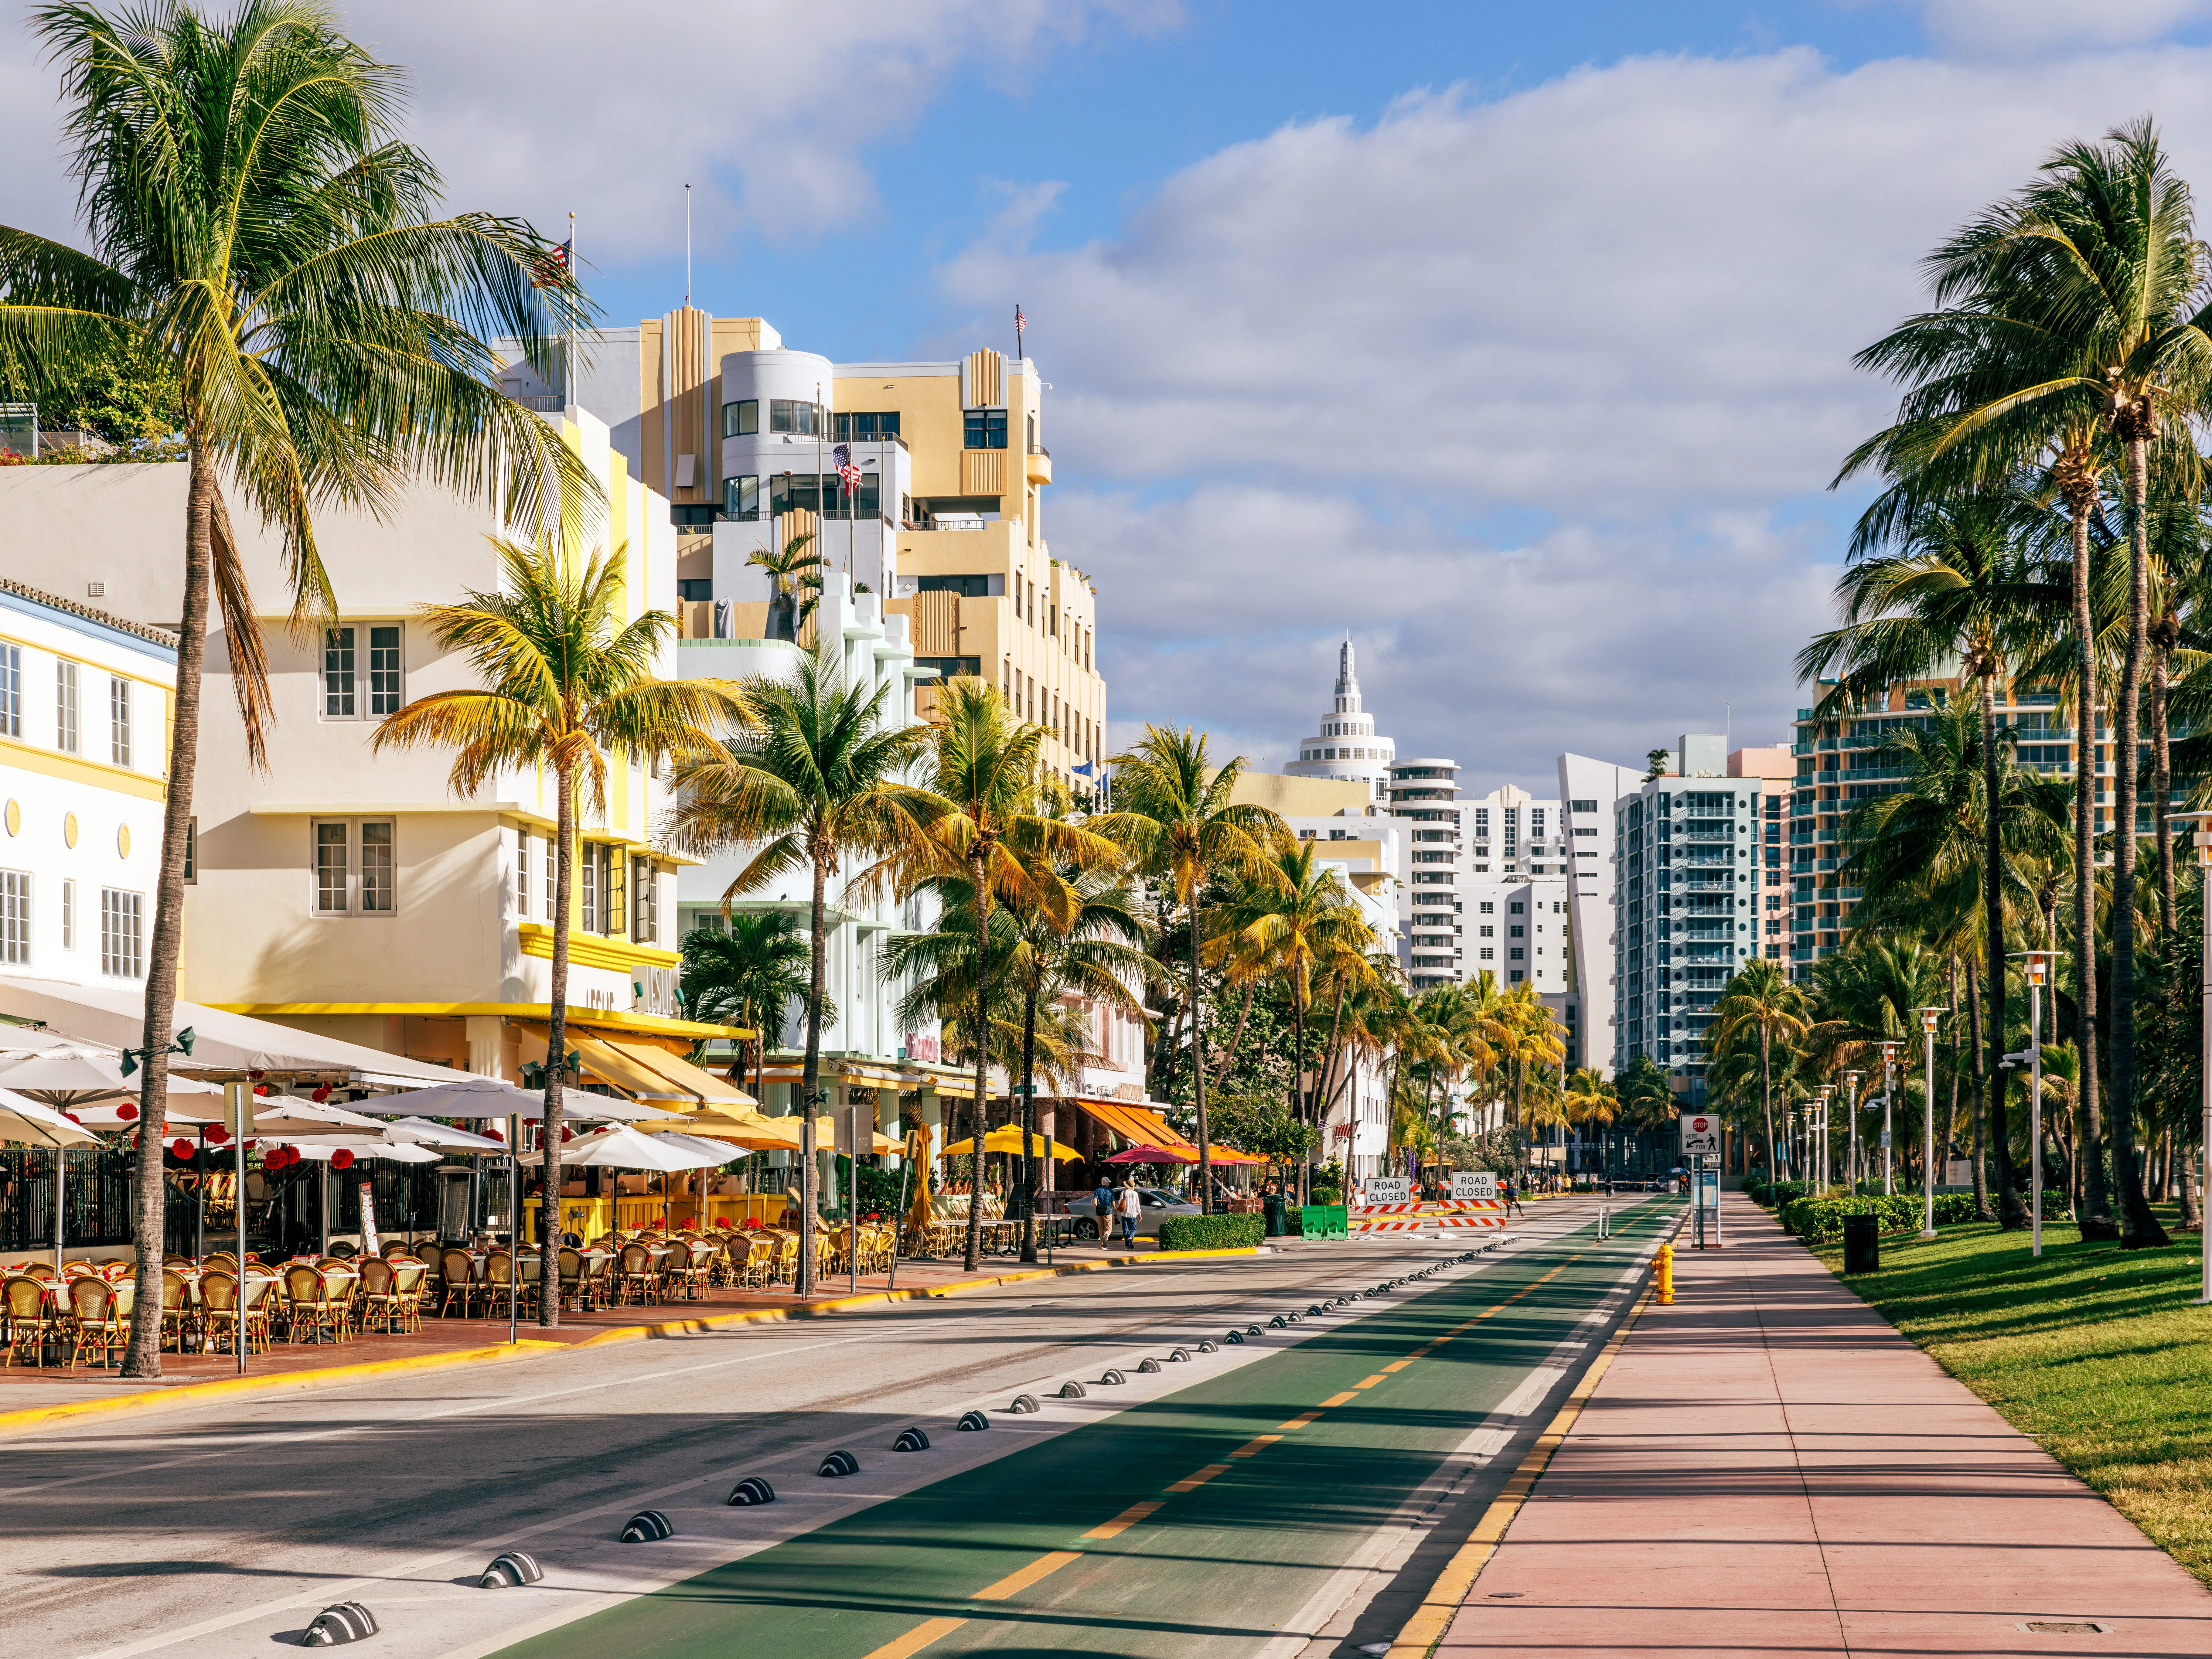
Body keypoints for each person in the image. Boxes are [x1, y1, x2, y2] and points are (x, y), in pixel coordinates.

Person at [1116, 1180, 1142, 1246]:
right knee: (1133, 1229)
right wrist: (1140, 1214)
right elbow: (1138, 1205)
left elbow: (1120, 1202)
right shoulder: (1135, 1194)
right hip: (1133, 1214)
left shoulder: (1124, 1192)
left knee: (1126, 1230)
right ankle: (1131, 1238)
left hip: (1124, 1214)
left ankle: (1127, 1245)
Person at [1093, 1176, 1114, 1240]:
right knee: (1109, 1229)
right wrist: (1116, 1214)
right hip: (1108, 1212)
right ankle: (1105, 1236)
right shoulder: (1111, 1191)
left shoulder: (1097, 1191)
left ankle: (1103, 1245)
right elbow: (1114, 1204)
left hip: (1099, 1213)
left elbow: (1095, 1203)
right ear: (1108, 1183)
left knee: (1101, 1229)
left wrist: (1099, 1208)